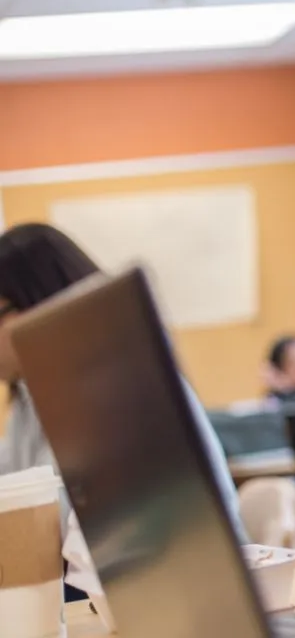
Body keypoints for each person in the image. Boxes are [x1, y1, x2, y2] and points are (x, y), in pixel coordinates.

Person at [0, 223, 245, 539]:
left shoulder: (125, 390)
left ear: (38, 304)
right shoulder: (29, 395)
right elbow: (12, 490)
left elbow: (58, 530)